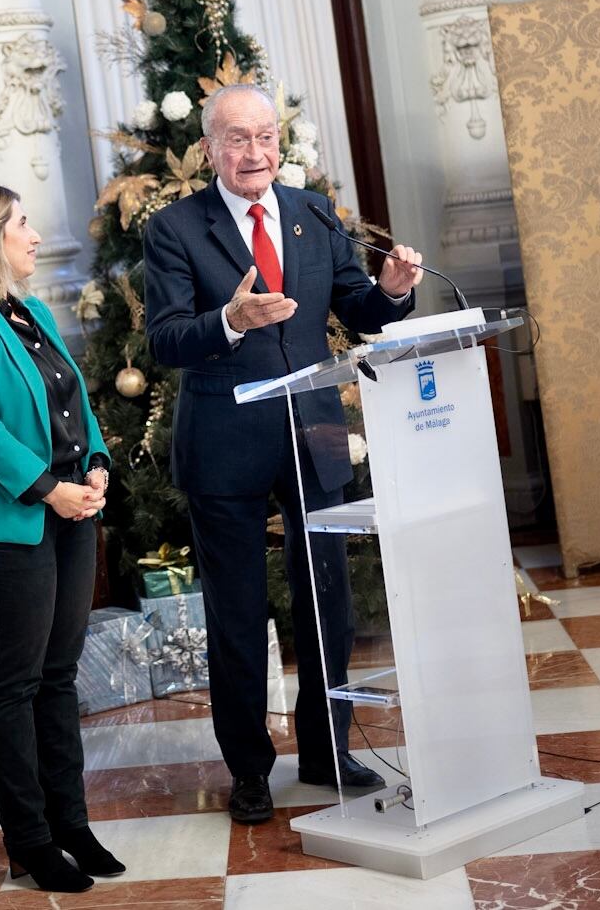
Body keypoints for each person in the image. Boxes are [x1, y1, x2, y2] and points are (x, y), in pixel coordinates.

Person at [142, 85, 424, 826]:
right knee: (236, 614)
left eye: (266, 137)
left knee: (327, 604)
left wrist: (391, 293)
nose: (255, 153)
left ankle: (329, 751)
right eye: (238, 139)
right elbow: (166, 339)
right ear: (209, 148)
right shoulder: (175, 229)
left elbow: (356, 307)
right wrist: (228, 320)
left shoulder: (312, 214)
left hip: (315, 437)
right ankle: (249, 771)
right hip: (225, 447)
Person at [0, 182, 121, 894]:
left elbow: (77, 404)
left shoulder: (32, 310)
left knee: (60, 676)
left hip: (68, 513)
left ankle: (71, 825)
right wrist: (49, 489)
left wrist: (95, 465)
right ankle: (30, 842)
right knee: (13, 683)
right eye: (22, 224)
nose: (36, 236)